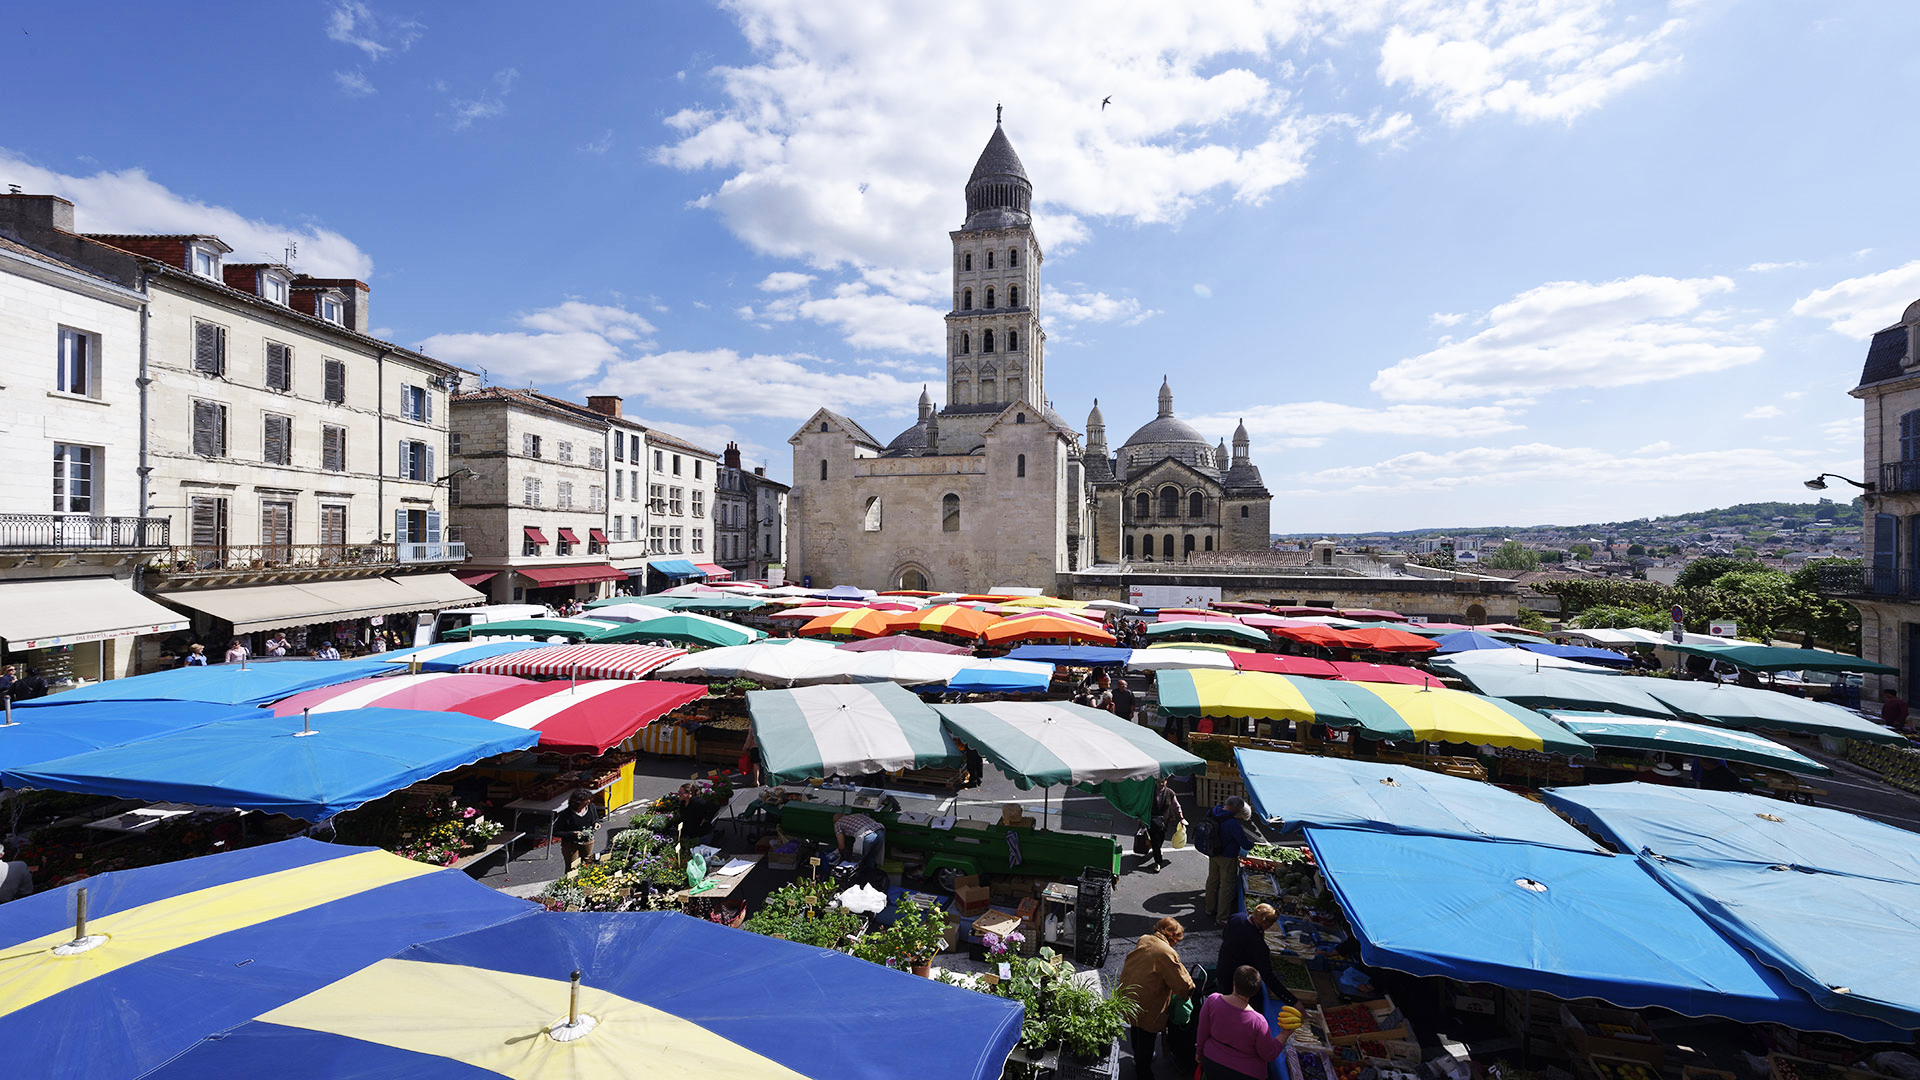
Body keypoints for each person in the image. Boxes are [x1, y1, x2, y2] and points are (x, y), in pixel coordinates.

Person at [1117, 917, 1196, 1077]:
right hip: (1148, 1000)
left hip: (1130, 992)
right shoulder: (1167, 952)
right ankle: (1143, 1071)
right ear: (1173, 937)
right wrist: (1191, 989)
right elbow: (1183, 984)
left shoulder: (1145, 939)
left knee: (1135, 1026)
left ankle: (1137, 1057)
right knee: (1147, 1034)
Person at [1196, 965, 1290, 1080]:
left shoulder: (1213, 1000)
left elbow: (1202, 1032)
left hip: (1212, 1063)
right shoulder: (1258, 1021)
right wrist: (1285, 1033)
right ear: (1255, 991)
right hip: (1246, 1074)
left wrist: (1199, 1053)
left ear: (1234, 982)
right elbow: (1268, 1054)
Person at [1217, 904, 1294, 1013]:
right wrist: (1292, 1000)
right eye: (1271, 923)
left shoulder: (1238, 917)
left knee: (1224, 998)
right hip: (1236, 978)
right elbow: (1268, 976)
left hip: (1223, 966)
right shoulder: (1258, 944)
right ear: (1266, 923)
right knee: (1232, 1007)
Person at [1204, 796, 1260, 922]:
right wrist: (1251, 844)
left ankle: (1209, 908)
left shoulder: (1213, 812)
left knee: (1212, 880)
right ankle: (1222, 917)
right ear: (1237, 810)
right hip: (1227, 857)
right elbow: (1244, 844)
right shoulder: (1233, 824)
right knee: (1227, 886)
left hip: (1213, 852)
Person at [1145, 775, 1184, 871]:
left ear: (1166, 781)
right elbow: (1143, 805)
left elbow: (1176, 806)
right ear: (1155, 782)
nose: (1161, 784)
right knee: (1155, 840)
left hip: (1164, 821)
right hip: (1151, 821)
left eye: (1163, 781)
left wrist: (1181, 818)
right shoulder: (1149, 792)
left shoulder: (1170, 793)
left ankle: (1157, 850)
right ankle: (1158, 862)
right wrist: (1140, 817)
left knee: (1160, 839)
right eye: (1159, 782)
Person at [556, 790, 603, 871]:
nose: (588, 801)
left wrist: (596, 823)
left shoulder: (591, 807)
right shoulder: (566, 814)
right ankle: (571, 883)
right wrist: (573, 833)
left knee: (587, 863)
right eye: (586, 800)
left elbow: (595, 818)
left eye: (589, 799)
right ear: (577, 802)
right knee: (572, 867)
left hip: (587, 842)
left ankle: (584, 881)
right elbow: (556, 831)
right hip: (570, 844)